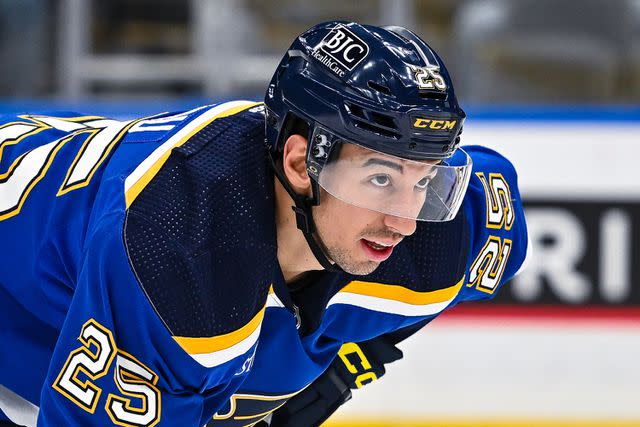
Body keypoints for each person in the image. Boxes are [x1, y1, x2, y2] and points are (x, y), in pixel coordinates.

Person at [0, 21, 528, 427]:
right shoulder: (175, 252)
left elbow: (491, 193)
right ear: (301, 164)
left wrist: (343, 370)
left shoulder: (449, 230)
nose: (405, 222)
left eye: (427, 180)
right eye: (381, 179)